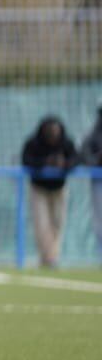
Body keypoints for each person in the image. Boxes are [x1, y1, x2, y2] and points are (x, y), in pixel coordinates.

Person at [22, 116, 78, 267]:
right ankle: (48, 258)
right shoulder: (34, 143)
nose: (53, 135)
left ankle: (52, 257)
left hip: (59, 189)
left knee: (58, 223)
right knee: (42, 225)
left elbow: (75, 160)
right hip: (39, 189)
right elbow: (26, 160)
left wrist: (64, 164)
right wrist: (45, 162)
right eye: (50, 132)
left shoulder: (66, 143)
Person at [83, 101, 102, 258]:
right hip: (99, 180)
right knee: (99, 219)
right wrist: (97, 161)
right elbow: (85, 153)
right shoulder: (94, 134)